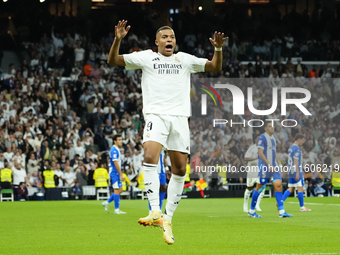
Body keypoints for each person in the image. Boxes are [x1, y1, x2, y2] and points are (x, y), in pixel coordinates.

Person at [107, 20, 227, 245]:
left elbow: (214, 67)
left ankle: (167, 219)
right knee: (150, 157)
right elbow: (113, 60)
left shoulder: (185, 60)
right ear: (157, 42)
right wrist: (118, 39)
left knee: (180, 169)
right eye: (164, 37)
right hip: (156, 116)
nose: (169, 39)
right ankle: (154, 209)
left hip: (180, 119)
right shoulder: (146, 57)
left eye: (171, 37)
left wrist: (218, 49)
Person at [248, 122, 292, 218]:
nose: (272, 128)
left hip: (273, 167)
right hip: (265, 167)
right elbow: (260, 153)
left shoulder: (273, 138)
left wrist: (279, 164)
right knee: (259, 188)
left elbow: (274, 152)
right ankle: (251, 211)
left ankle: (281, 211)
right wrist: (269, 165)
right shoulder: (262, 138)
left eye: (273, 126)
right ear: (265, 128)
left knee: (278, 186)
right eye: (270, 126)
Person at [282, 133, 311, 212]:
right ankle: (302, 207)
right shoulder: (297, 149)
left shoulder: (290, 147)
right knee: (300, 187)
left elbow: (289, 160)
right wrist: (297, 173)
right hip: (296, 170)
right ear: (299, 139)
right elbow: (295, 160)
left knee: (291, 188)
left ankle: (280, 202)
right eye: (302, 140)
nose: (303, 142)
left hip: (291, 170)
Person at [101, 134, 126, 214]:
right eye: (119, 140)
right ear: (114, 141)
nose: (121, 141)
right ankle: (116, 210)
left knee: (120, 190)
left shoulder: (117, 149)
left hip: (116, 173)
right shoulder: (114, 150)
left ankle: (107, 202)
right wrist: (121, 174)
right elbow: (115, 163)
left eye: (121, 139)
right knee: (116, 190)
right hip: (114, 173)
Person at [243, 134, 265, 212]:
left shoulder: (263, 148)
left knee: (262, 188)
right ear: (255, 140)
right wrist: (256, 158)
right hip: (252, 170)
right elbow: (246, 158)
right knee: (249, 187)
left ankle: (257, 205)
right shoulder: (251, 148)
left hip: (260, 170)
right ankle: (245, 203)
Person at [147, 150, 167, 218]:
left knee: (163, 189)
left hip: (162, 171)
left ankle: (159, 210)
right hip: (155, 171)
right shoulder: (153, 145)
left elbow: (163, 159)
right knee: (153, 191)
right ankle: (151, 211)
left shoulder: (162, 148)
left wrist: (166, 169)